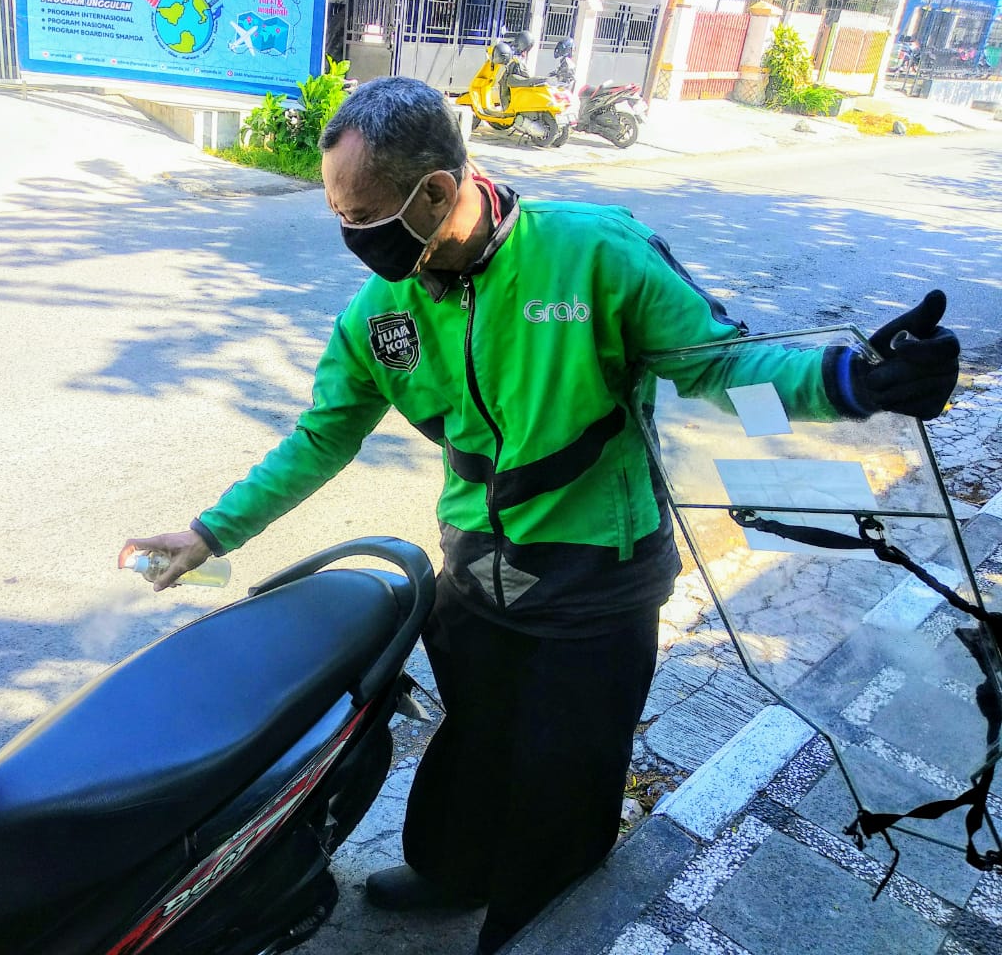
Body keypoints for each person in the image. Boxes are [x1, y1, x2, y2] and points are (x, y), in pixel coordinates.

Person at [120, 77, 960, 954]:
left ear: (439, 190)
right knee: (476, 741)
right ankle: (456, 872)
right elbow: (320, 440)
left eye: (363, 213)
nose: (349, 236)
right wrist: (210, 533)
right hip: (475, 574)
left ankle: (531, 922)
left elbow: (720, 367)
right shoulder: (382, 315)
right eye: (337, 211)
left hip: (599, 584)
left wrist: (853, 383)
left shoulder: (595, 254)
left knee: (566, 778)